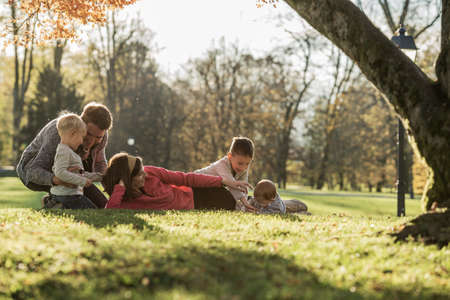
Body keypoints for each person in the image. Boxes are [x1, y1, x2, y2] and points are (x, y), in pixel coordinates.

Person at [16, 102, 113, 208]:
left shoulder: (101, 135)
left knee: (103, 205)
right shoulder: (59, 131)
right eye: (88, 134)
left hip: (70, 171)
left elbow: (99, 164)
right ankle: (56, 200)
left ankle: (57, 198)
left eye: (98, 137)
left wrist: (114, 191)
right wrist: (60, 180)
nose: (91, 142)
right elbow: (32, 171)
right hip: (33, 172)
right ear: (81, 122)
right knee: (80, 204)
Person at [103, 153, 252, 210]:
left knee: (236, 202)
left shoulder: (150, 172)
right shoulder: (126, 201)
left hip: (198, 194)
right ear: (127, 179)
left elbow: (185, 178)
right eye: (139, 175)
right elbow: (109, 211)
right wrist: (120, 188)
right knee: (233, 205)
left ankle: (266, 200)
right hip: (196, 206)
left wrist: (223, 181)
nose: (145, 175)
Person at [195, 136, 285, 212]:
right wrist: (245, 203)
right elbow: (232, 185)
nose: (243, 167)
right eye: (240, 163)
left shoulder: (242, 167)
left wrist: (245, 203)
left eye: (247, 163)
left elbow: (242, 187)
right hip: (196, 185)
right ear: (230, 156)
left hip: (212, 189)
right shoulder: (222, 165)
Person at [49, 113, 103, 209]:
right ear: (73, 134)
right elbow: (60, 172)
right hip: (68, 196)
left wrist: (99, 177)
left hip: (71, 195)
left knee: (95, 208)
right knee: (94, 211)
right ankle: (57, 204)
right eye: (81, 137)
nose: (82, 141)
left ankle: (55, 203)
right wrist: (82, 181)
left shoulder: (69, 151)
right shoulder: (64, 151)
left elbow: (78, 173)